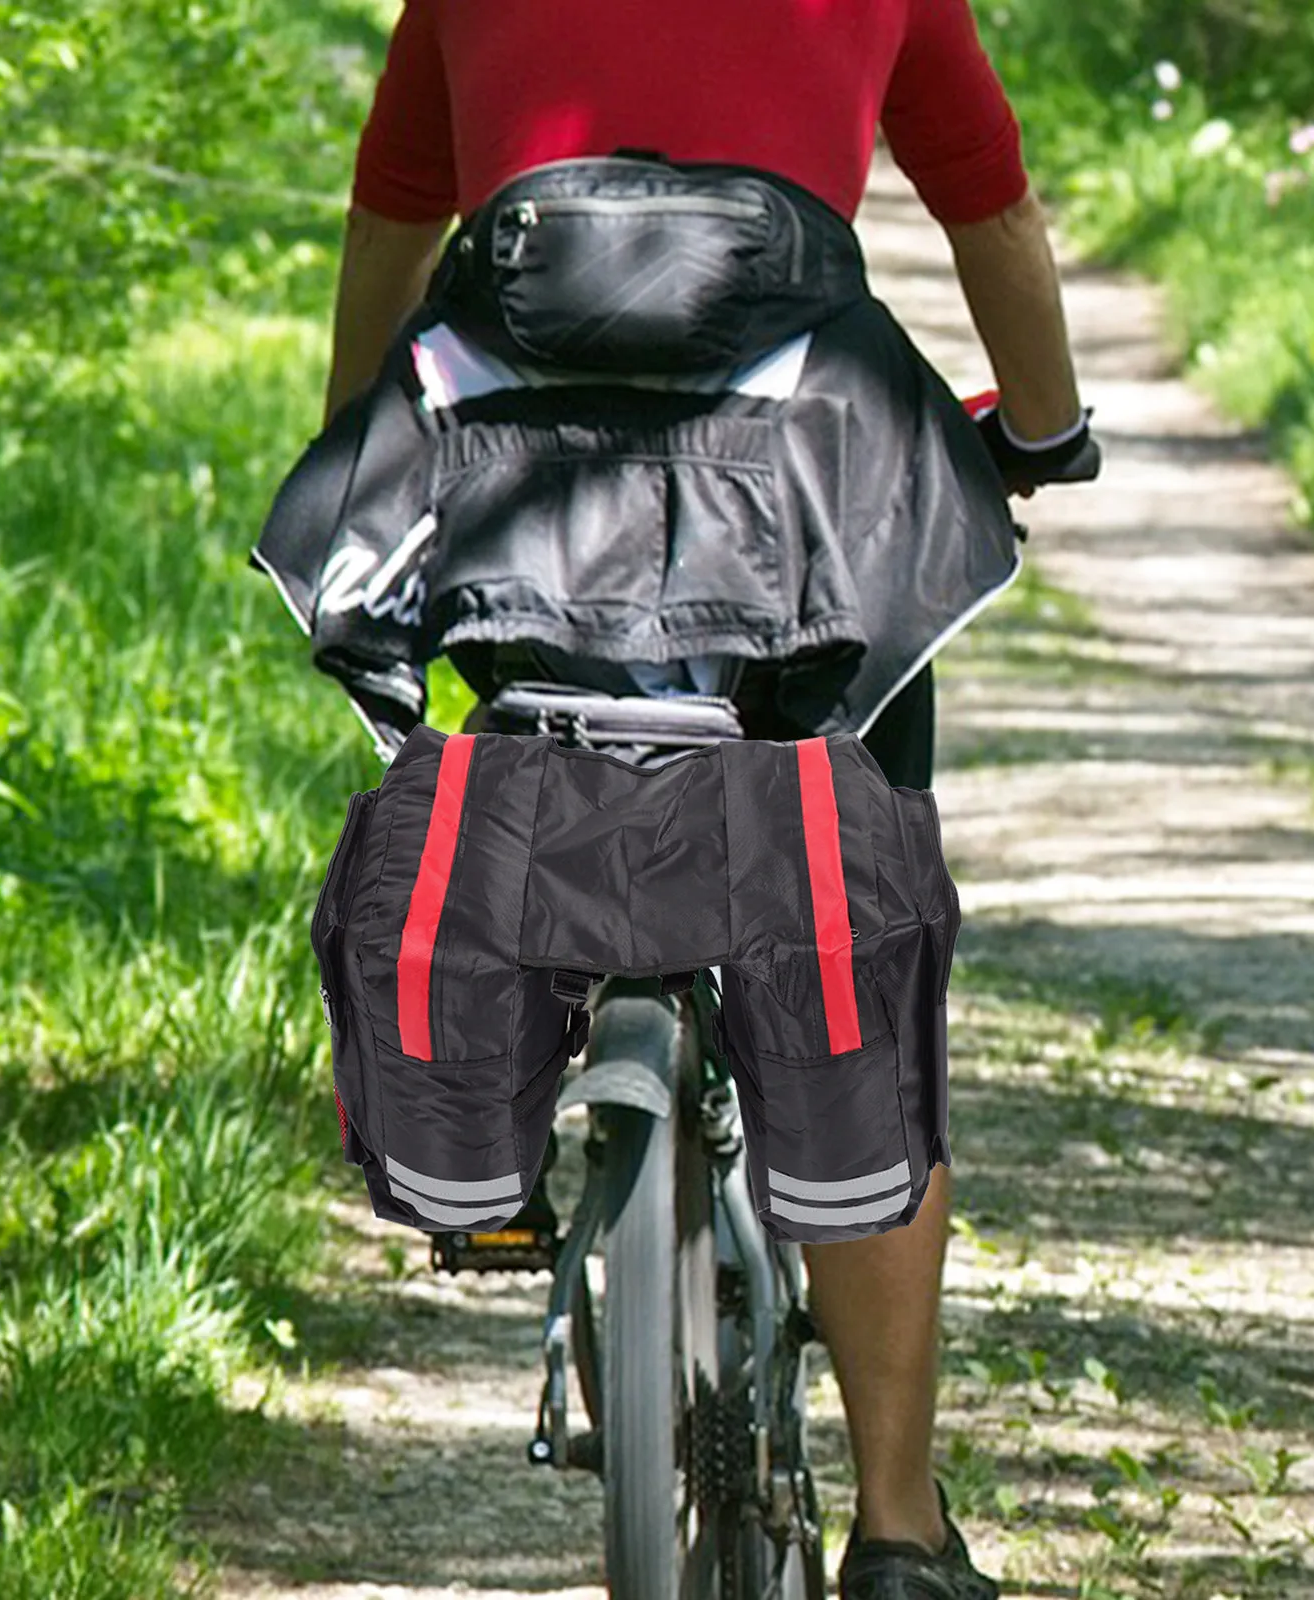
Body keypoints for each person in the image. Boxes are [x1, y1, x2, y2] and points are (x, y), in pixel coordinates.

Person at [318, 5, 1091, 1597]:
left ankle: (542, 1080)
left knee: (535, 758)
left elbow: (396, 218)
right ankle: (897, 1532)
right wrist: (1044, 431)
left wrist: (363, 455)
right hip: (805, 502)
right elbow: (991, 210)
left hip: (527, 500)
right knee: (851, 957)